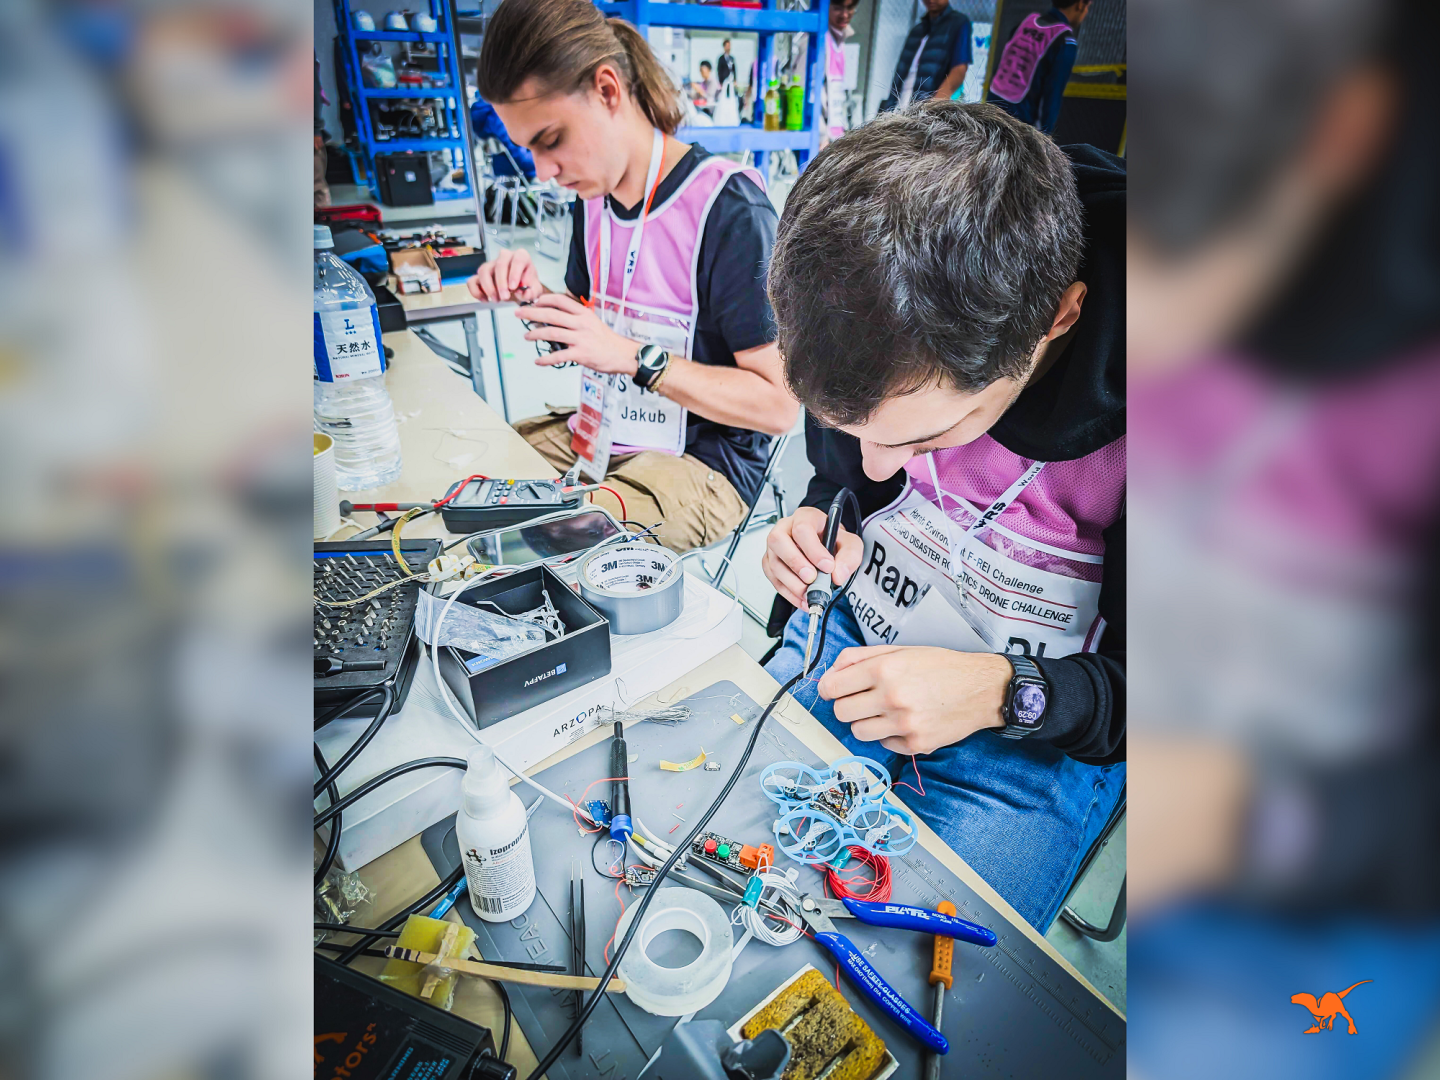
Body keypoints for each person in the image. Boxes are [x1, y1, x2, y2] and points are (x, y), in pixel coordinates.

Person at [761, 101, 1125, 932]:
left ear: (1058, 320)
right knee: (721, 850)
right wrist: (819, 517)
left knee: (910, 959)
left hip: (1046, 726)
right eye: (855, 431)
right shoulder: (861, 300)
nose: (879, 466)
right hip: (859, 631)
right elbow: (849, 481)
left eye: (924, 437)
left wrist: (1006, 691)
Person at [466, 0, 797, 554]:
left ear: (607, 90)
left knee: (548, 540)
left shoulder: (730, 211)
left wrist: (632, 357)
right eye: (529, 151)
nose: (544, 173)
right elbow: (591, 331)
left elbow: (779, 407)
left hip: (700, 459)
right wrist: (538, 299)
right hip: (605, 428)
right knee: (474, 486)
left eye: (551, 139)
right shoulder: (591, 198)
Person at [986, 0, 1088, 135]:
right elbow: (1051, 96)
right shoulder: (1065, 42)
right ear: (1080, 4)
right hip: (1020, 124)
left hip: (991, 109)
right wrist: (1044, 136)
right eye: (1088, 6)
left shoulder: (1025, 24)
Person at [880, 0, 971, 112]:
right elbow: (900, 74)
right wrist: (888, 108)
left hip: (925, 111)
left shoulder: (958, 23)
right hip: (899, 106)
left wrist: (933, 107)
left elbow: (959, 70)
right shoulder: (917, 30)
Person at [822, 0, 859, 146]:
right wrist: (820, 137)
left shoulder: (840, 40)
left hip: (835, 136)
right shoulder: (815, 41)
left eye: (850, 8)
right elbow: (805, 91)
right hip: (820, 139)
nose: (845, 14)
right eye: (838, 8)